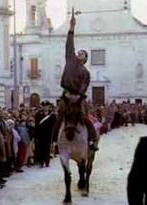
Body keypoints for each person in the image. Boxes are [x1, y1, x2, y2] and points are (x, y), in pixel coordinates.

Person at [53, 9, 98, 151]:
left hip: (78, 97)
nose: (79, 53)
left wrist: (78, 96)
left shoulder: (86, 73)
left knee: (85, 117)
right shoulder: (70, 59)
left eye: (82, 53)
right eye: (79, 52)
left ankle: (91, 140)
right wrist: (72, 28)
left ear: (85, 59)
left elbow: (85, 86)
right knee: (59, 116)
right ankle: (54, 142)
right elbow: (69, 44)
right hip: (66, 94)